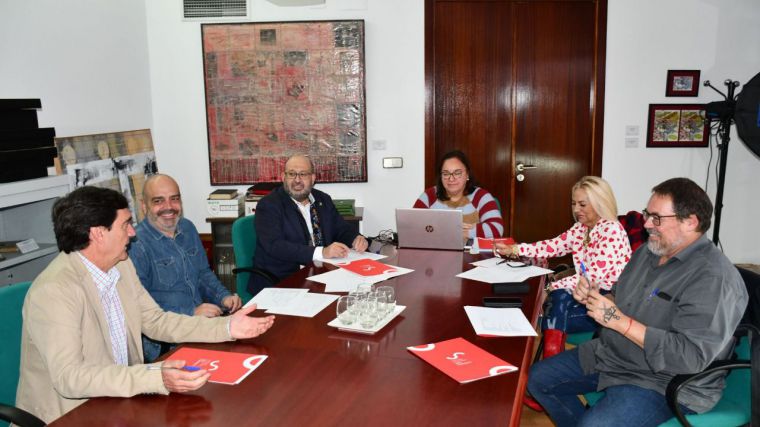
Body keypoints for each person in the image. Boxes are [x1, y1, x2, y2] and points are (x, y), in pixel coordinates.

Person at [16, 186, 275, 424]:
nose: (132, 232)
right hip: (71, 414)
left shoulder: (120, 265)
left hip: (118, 398)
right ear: (97, 233)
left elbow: (155, 321)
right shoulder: (55, 291)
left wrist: (227, 327)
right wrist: (155, 376)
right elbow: (70, 378)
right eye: (125, 224)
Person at [526, 177, 748, 426]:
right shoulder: (648, 251)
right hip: (614, 356)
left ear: (691, 222)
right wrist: (596, 296)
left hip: (662, 380)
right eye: (647, 214)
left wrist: (619, 322)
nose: (645, 223)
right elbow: (619, 298)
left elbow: (690, 357)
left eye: (657, 218)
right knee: (537, 380)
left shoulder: (714, 277)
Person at [495, 176, 631, 411]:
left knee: (550, 304)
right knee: (552, 304)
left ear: (599, 202)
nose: (576, 210)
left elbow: (591, 279)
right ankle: (549, 369)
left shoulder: (611, 230)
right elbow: (552, 246)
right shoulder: (582, 229)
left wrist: (549, 287)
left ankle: (547, 371)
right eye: (573, 203)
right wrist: (516, 249)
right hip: (584, 298)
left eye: (582, 204)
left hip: (611, 303)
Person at [128, 174, 242, 362]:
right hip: (164, 345)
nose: (169, 207)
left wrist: (224, 297)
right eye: (158, 201)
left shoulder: (187, 228)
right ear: (143, 205)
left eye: (175, 199)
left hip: (200, 326)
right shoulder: (135, 245)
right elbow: (140, 305)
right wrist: (191, 312)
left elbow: (203, 274)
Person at [248, 154, 368, 296]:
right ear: (283, 177)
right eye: (292, 174)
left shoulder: (322, 199)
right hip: (282, 282)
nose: (297, 180)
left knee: (359, 295)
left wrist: (356, 238)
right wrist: (321, 252)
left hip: (321, 274)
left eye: (303, 174)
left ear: (312, 178)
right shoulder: (269, 205)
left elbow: (340, 228)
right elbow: (275, 246)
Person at [413, 150, 504, 240]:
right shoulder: (429, 195)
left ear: (467, 174)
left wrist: (468, 232)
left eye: (457, 173)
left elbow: (497, 228)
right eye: (446, 173)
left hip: (470, 253)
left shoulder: (481, 196)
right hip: (434, 251)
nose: (451, 179)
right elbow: (412, 224)